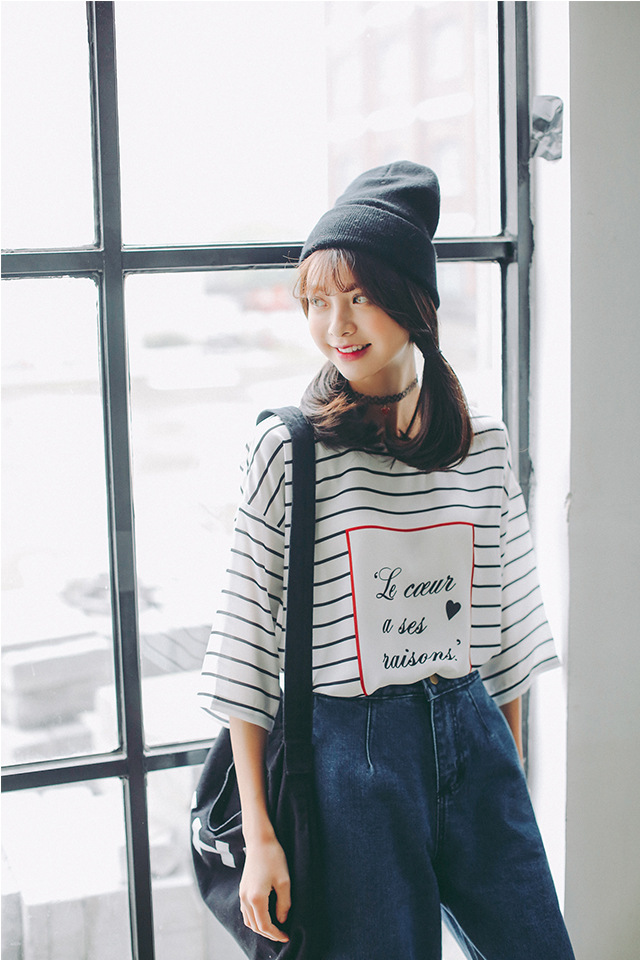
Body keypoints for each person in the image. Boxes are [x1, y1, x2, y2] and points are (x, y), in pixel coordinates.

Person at [198, 161, 575, 960]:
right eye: (316, 301)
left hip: (472, 733)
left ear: (413, 300)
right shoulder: (289, 451)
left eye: (358, 296)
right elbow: (243, 647)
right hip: (353, 758)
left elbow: (504, 629)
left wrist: (507, 771)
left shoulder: (483, 446)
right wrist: (260, 836)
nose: (335, 324)